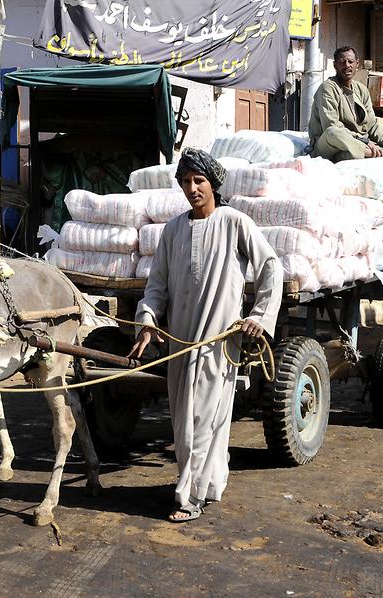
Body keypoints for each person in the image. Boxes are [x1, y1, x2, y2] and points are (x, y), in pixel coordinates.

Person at [128, 148, 283, 523]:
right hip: (180, 343)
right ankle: (209, 485)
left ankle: (189, 496)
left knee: (204, 418)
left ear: (213, 184)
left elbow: (271, 267)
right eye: (186, 182)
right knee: (184, 420)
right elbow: (156, 285)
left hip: (219, 342)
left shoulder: (235, 222)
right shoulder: (172, 230)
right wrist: (148, 319)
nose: (192, 188)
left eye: (198, 181)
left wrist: (260, 317)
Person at [308, 45, 383, 162]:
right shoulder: (328, 88)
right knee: (333, 133)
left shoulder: (361, 90)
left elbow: (372, 125)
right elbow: (331, 125)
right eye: (342, 62)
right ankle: (382, 155)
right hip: (328, 145)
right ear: (335, 65)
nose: (347, 65)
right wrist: (365, 142)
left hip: (359, 143)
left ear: (357, 64)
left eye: (350, 62)